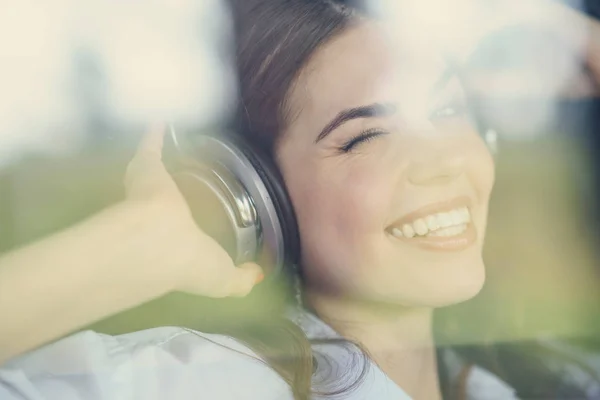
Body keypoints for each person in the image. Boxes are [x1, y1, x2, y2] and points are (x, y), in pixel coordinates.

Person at [0, 0, 599, 399]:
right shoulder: (212, 382)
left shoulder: (544, 378)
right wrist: (138, 247)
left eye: (446, 110)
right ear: (256, 190)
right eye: (366, 136)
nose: (443, 160)